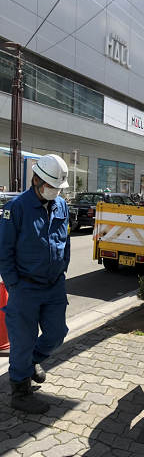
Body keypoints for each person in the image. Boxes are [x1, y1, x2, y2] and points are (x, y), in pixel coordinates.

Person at [0, 154, 70, 413]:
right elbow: (4, 251)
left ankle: (30, 363)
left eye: (58, 188)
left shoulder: (61, 205)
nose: (55, 192)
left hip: (54, 286)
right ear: (37, 180)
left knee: (57, 333)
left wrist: (62, 271)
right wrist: (14, 286)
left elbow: (66, 243)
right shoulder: (16, 208)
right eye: (52, 186)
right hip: (25, 288)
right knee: (23, 340)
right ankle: (19, 391)